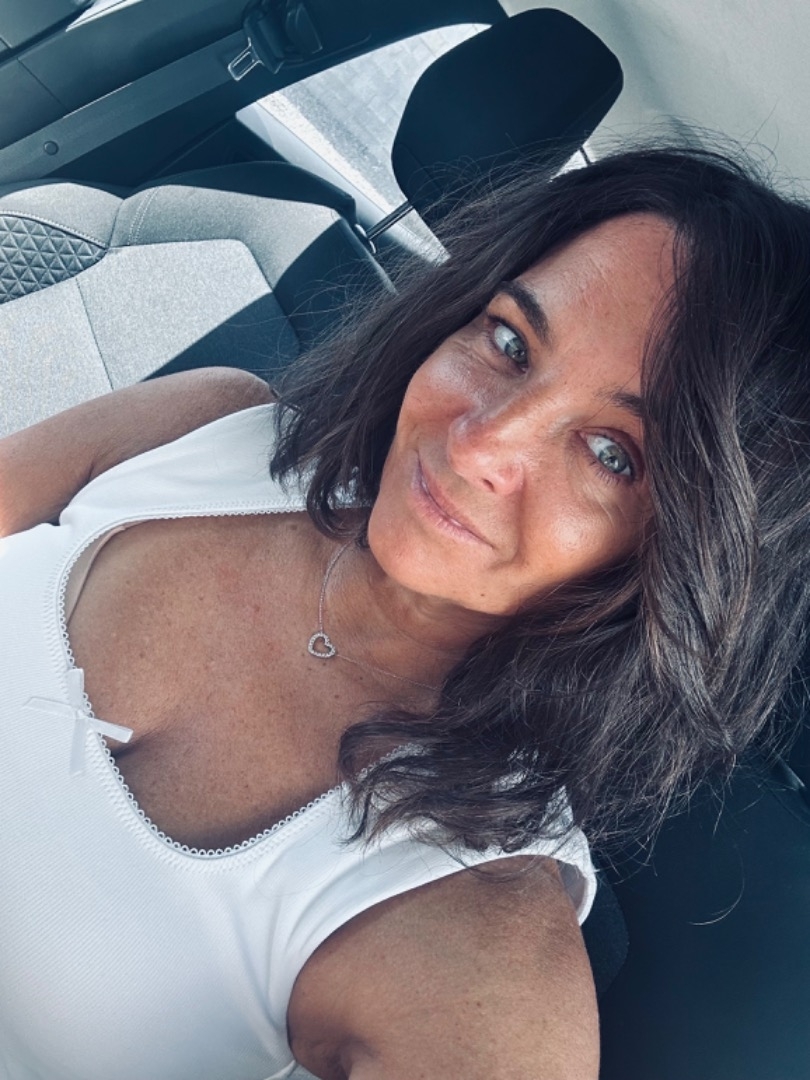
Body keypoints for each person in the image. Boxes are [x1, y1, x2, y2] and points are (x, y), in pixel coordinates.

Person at [0, 145, 808, 1080]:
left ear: (692, 557)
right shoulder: (210, 425)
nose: (479, 443)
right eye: (510, 343)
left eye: (612, 454)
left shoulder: (477, 934)